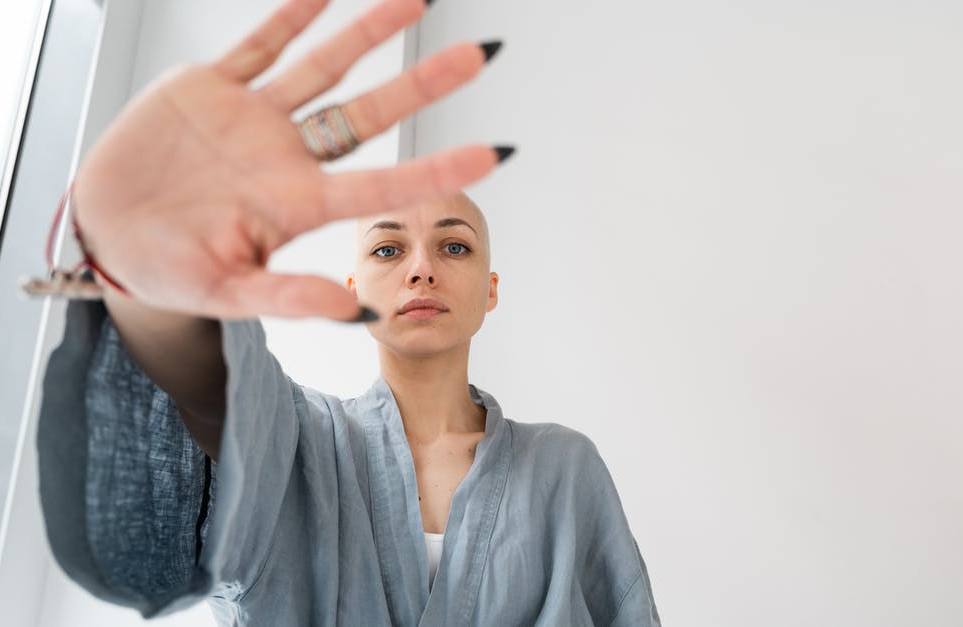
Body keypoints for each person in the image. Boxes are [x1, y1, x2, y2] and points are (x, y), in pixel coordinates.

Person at [33, 0, 661, 624]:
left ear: (489, 289)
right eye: (389, 248)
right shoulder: (301, 438)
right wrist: (153, 282)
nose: (421, 268)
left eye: (454, 246)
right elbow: (209, 398)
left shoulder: (565, 468)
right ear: (355, 283)